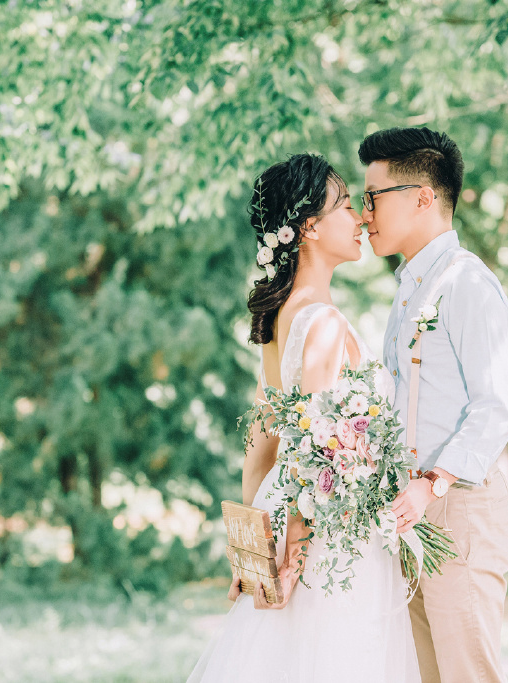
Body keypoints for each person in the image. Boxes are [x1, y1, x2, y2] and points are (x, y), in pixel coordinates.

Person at [187, 153, 420, 683]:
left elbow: (259, 450)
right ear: (310, 227)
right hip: (323, 535)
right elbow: (315, 457)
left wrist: (251, 553)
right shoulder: (325, 324)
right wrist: (292, 561)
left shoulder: (278, 321)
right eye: (346, 205)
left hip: (286, 513)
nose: (360, 218)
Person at [359, 127, 508, 683]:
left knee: (467, 673)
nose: (364, 215)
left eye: (373, 197)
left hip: (459, 507)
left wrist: (434, 484)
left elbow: (494, 407)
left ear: (423, 197)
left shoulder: (468, 283)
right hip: (410, 509)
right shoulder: (410, 287)